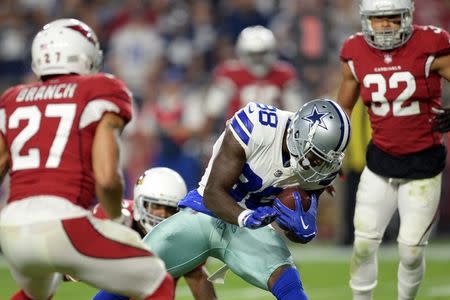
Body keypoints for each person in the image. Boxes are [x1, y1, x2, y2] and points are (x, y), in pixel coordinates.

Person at [0, 18, 173, 300]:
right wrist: (116, 219)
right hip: (62, 222)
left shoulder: (12, 98)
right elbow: (106, 177)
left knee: (36, 293)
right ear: (87, 55)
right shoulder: (101, 90)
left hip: (11, 229)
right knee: (157, 282)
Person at [142, 99, 351, 300]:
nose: (319, 165)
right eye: (315, 156)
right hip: (205, 214)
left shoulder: (322, 168)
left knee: (289, 283)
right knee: (133, 266)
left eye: (325, 160)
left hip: (249, 230)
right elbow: (213, 194)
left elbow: (293, 227)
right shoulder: (257, 125)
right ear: (299, 134)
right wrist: (246, 217)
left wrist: (300, 231)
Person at [337, 1, 450, 299]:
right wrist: (333, 153)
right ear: (365, 20)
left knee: (411, 250)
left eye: (392, 18)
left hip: (424, 164)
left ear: (408, 17)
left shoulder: (431, 43)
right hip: (380, 162)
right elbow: (343, 110)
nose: (385, 25)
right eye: (377, 19)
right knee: (362, 244)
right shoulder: (354, 51)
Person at [93, 167, 217, 300]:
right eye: (156, 206)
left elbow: (197, 278)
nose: (163, 214)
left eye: (170, 209)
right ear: (140, 204)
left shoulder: (182, 236)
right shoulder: (116, 220)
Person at [202, 25, 304, 136]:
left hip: (275, 137)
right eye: (253, 55)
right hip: (239, 136)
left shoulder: (284, 73)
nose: (258, 60)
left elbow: (296, 113)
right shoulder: (229, 73)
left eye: (262, 54)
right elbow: (213, 111)